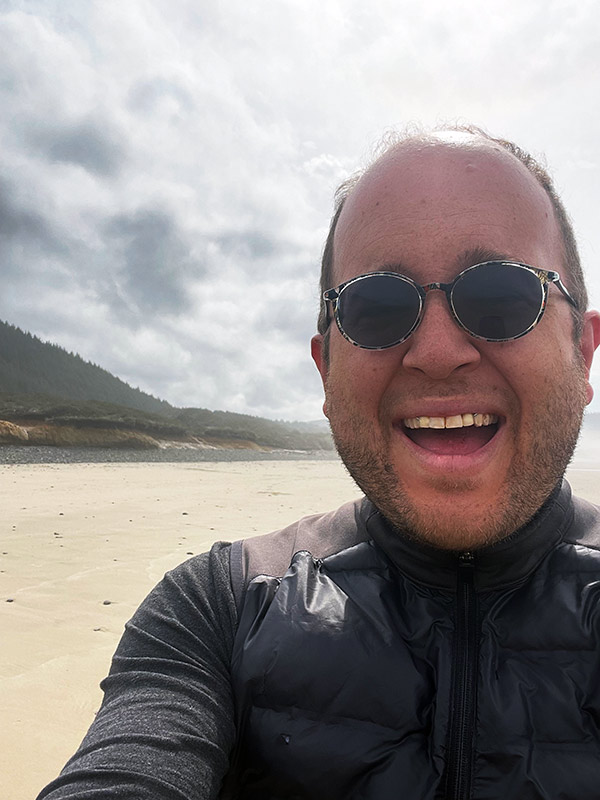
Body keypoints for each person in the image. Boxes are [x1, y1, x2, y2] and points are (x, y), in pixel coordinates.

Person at [38, 126, 600, 800]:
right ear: (325, 367)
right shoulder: (220, 609)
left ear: (584, 350)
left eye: (504, 296)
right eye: (377, 307)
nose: (438, 350)